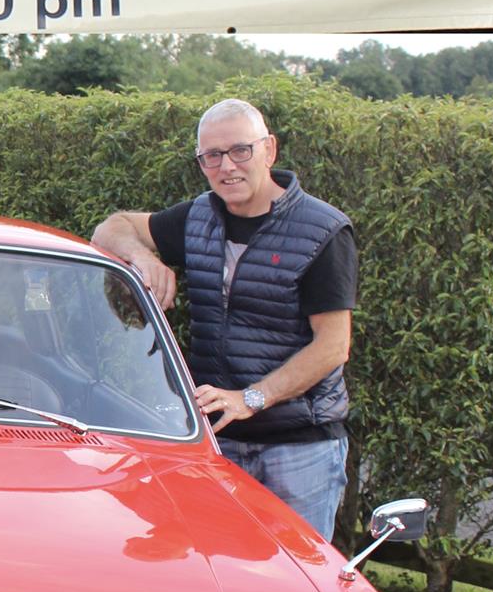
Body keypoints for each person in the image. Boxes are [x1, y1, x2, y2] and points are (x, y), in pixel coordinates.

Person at [91, 97, 356, 539]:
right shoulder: (199, 217)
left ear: (268, 149)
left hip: (299, 449)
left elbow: (333, 346)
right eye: (211, 156)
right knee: (217, 576)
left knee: (296, 583)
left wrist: (250, 398)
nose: (226, 166)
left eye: (240, 151)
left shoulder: (323, 230)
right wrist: (143, 257)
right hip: (216, 442)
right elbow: (112, 227)